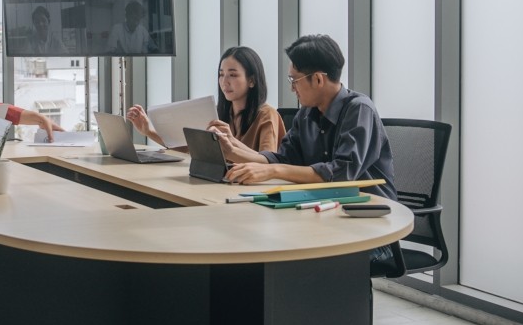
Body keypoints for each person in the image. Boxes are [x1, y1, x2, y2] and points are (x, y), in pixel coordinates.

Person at [215, 34, 395, 202]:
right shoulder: (306, 113)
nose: (292, 88)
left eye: (294, 80)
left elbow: (341, 173)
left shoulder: (359, 109)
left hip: (367, 209)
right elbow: (284, 158)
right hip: (321, 204)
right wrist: (232, 151)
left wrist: (273, 171)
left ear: (317, 79)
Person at [126, 45, 285, 151]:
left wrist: (231, 144)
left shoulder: (266, 115)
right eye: (221, 75)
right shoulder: (219, 113)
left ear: (252, 80)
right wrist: (149, 131)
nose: (224, 82)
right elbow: (192, 150)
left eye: (233, 75)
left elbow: (267, 162)